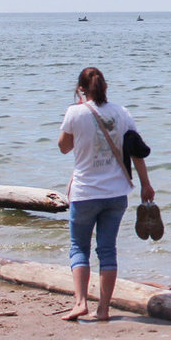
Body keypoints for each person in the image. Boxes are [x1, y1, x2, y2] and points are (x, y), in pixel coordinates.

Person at [58, 67, 155, 321]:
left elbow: (63, 148)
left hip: (85, 192)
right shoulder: (122, 113)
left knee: (79, 247)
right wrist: (146, 184)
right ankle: (104, 308)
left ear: (81, 89)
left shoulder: (74, 112)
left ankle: (80, 303)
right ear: (105, 87)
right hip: (115, 193)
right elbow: (136, 150)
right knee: (107, 250)